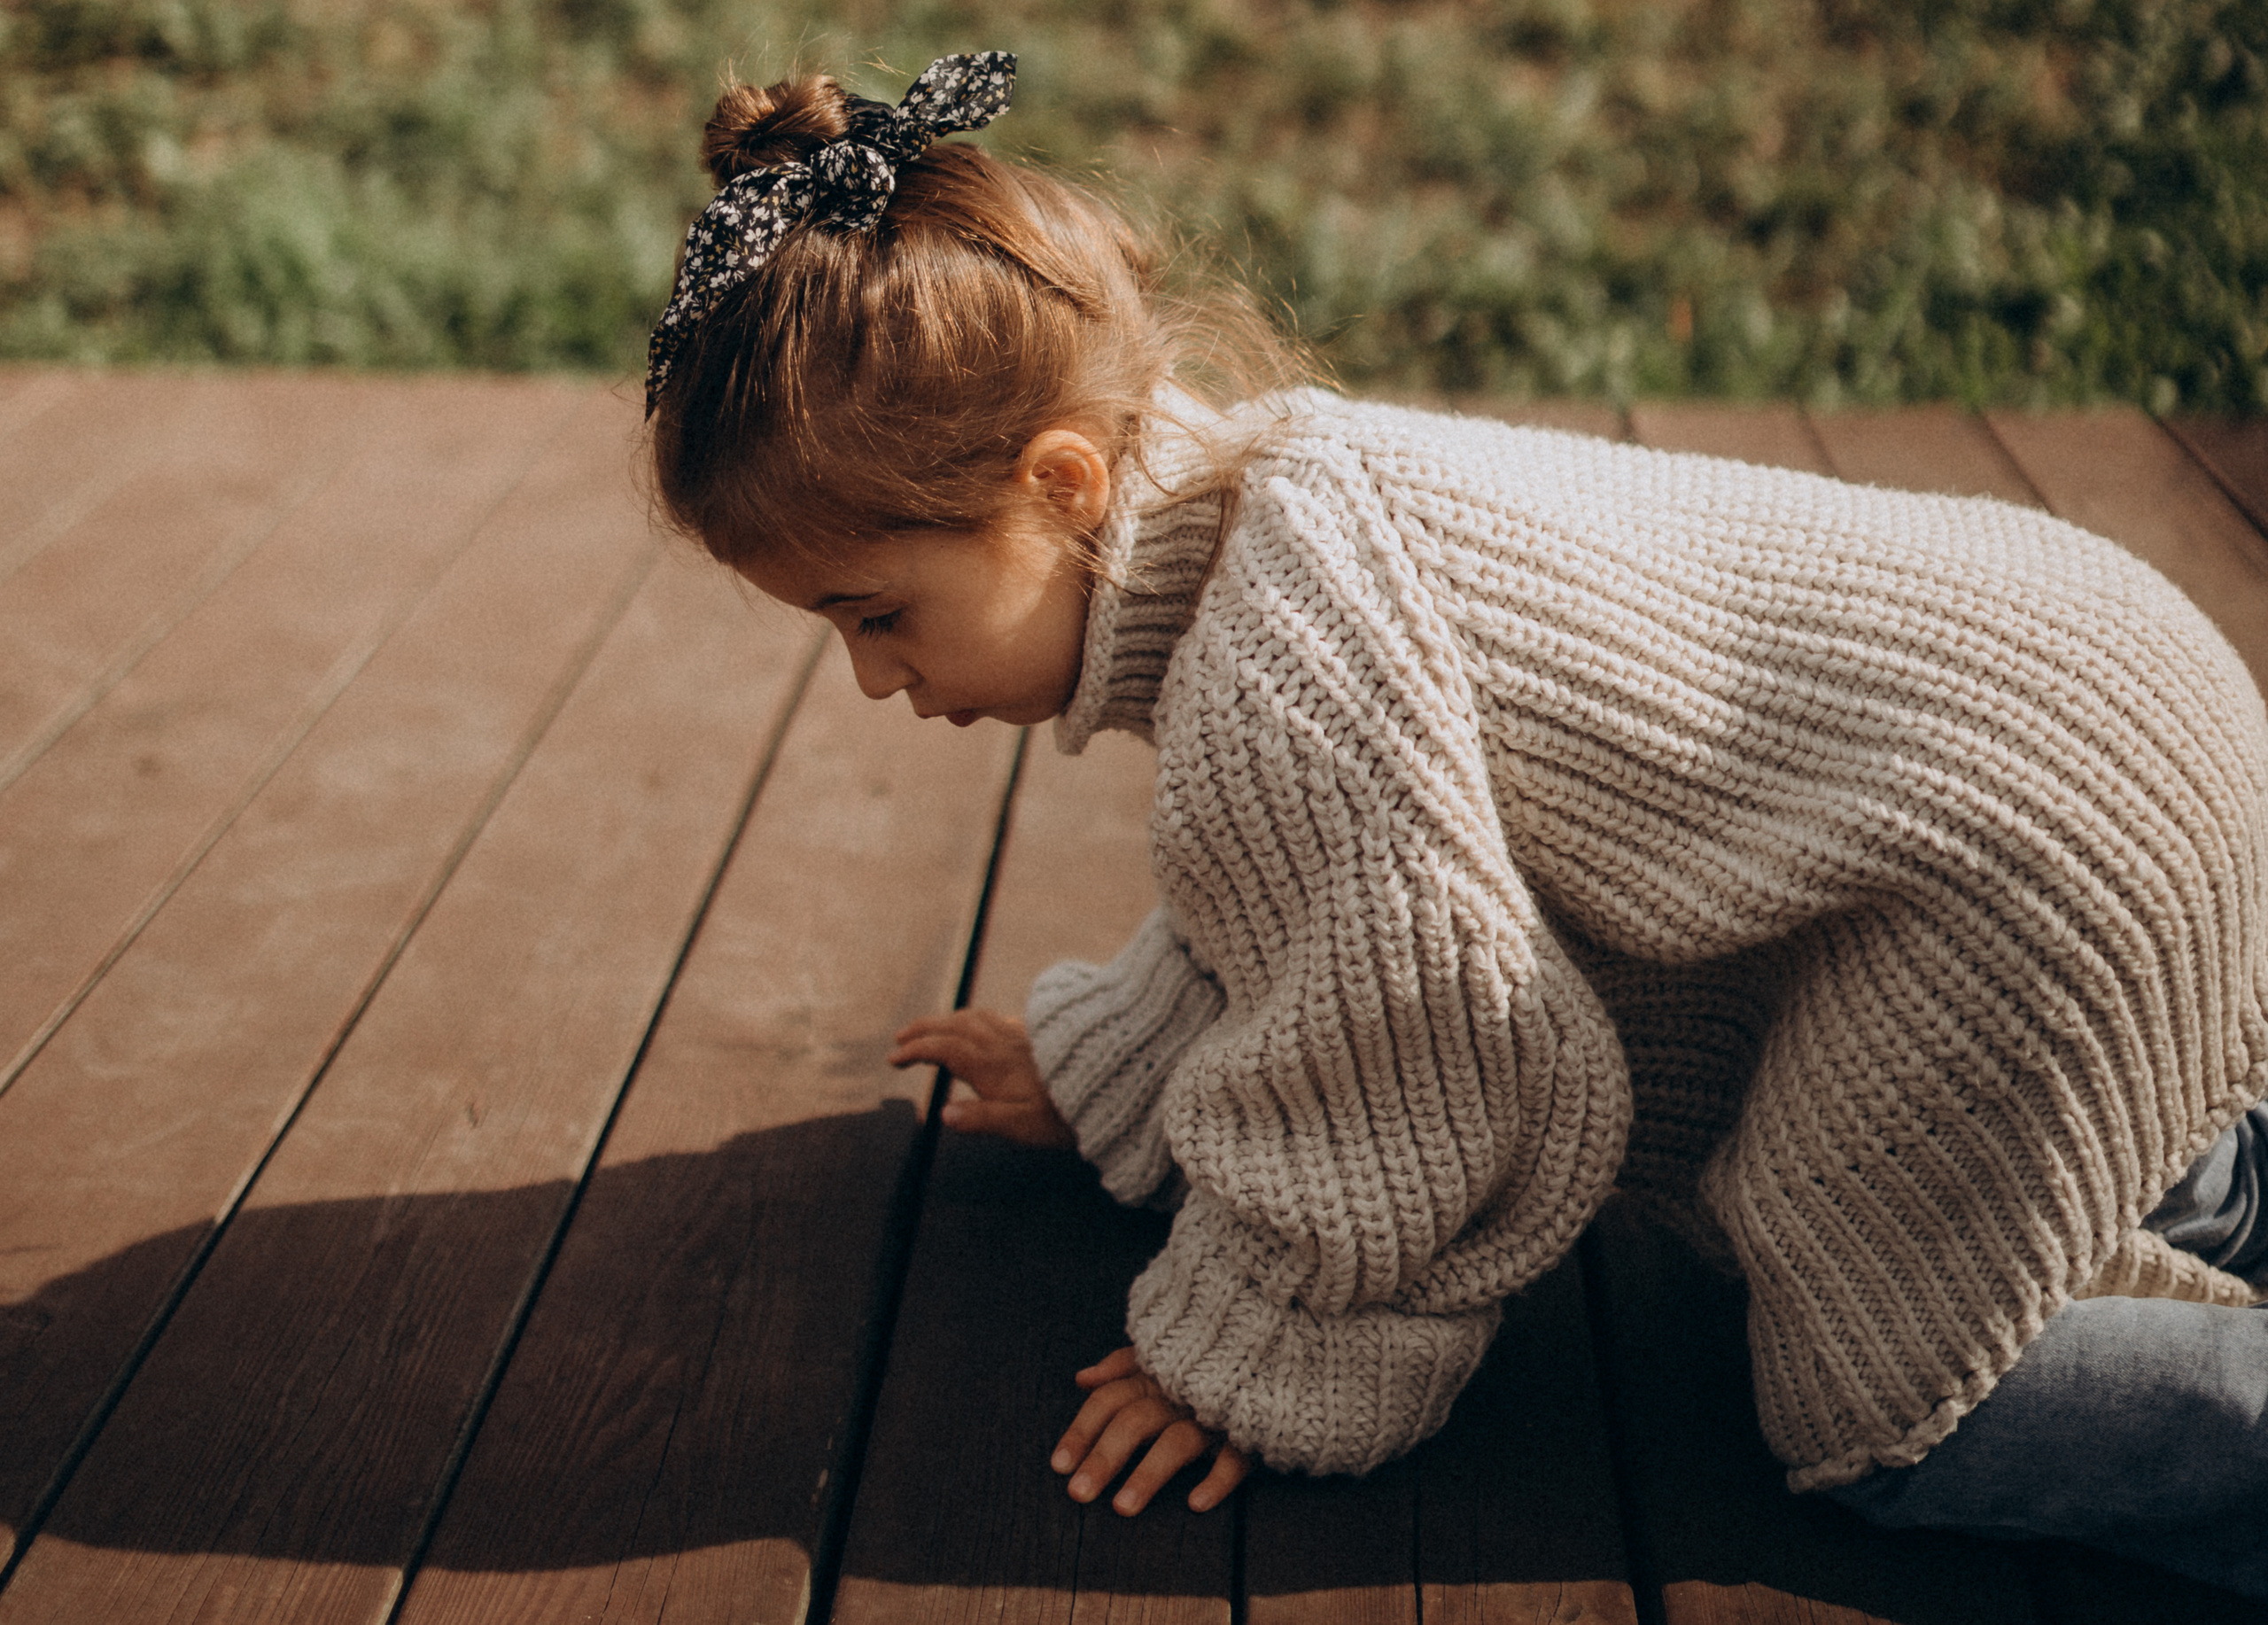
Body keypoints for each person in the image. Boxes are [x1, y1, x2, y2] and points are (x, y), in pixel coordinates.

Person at [643, 53, 2268, 1595]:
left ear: (1063, 487)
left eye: (878, 615)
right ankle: (2207, 1191)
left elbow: (1414, 1061)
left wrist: (1249, 1352)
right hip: (2120, 710)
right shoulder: (1263, 503)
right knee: (2125, 1154)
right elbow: (1329, 907)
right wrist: (1110, 1066)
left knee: (1902, 1399)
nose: (871, 680)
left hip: (2024, 863)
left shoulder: (1277, 674)